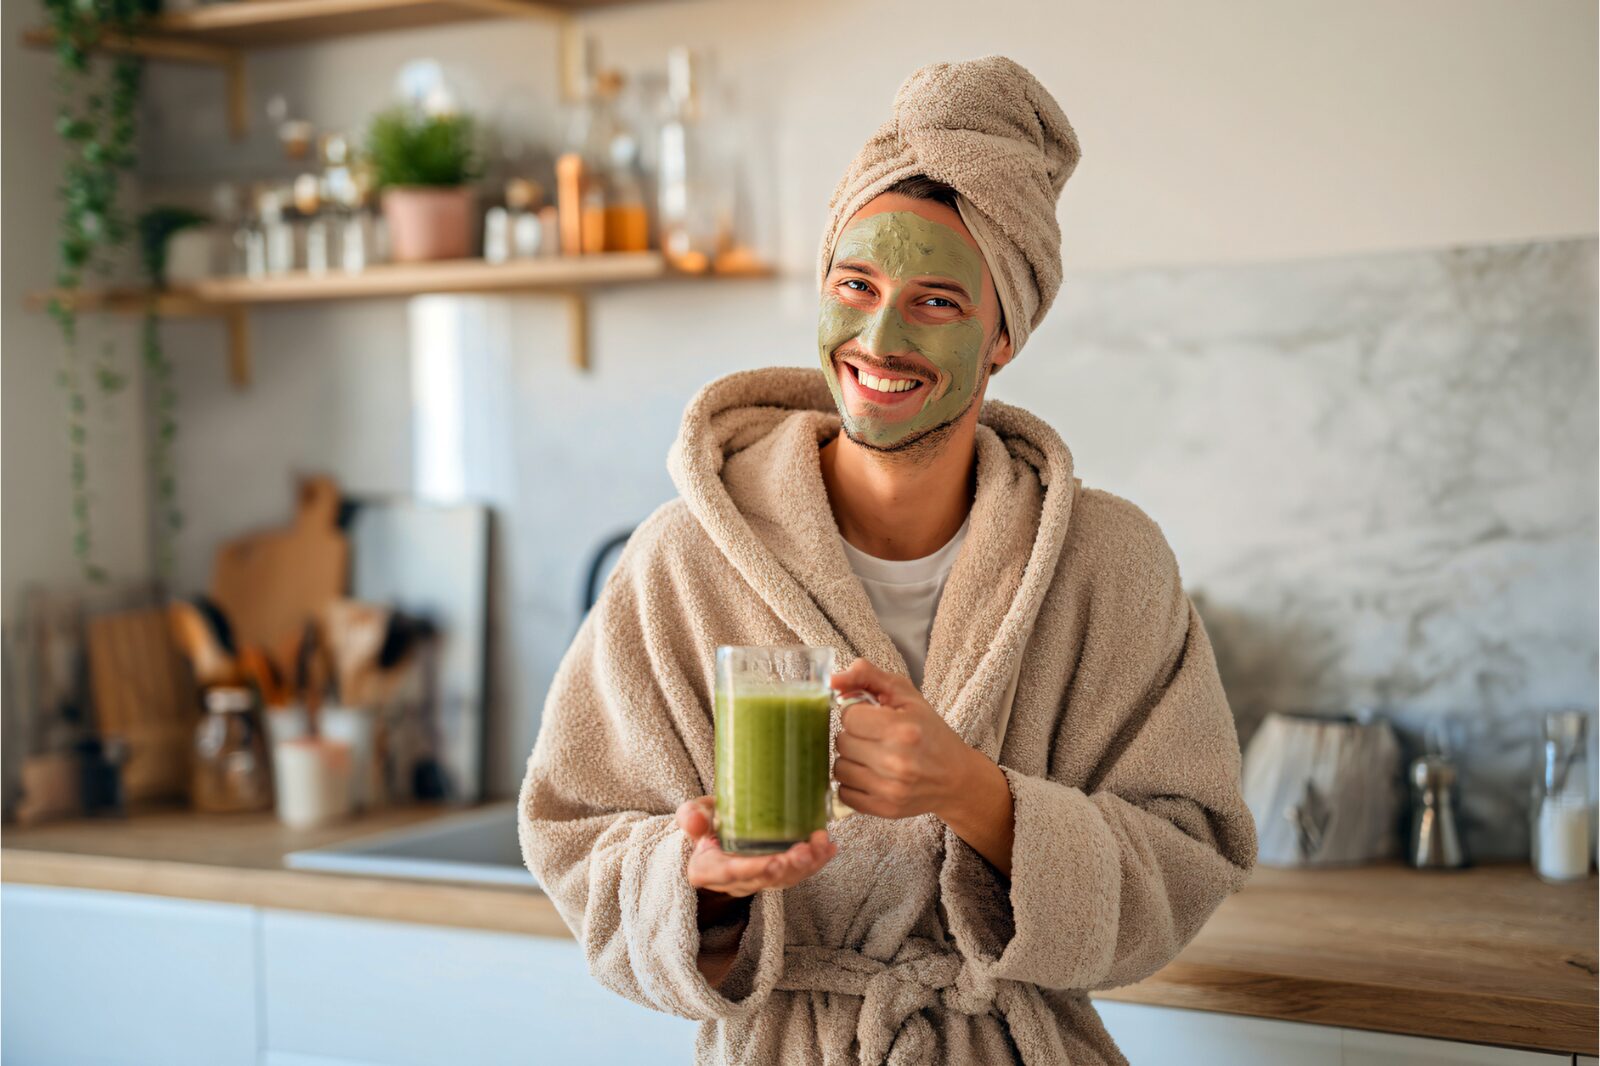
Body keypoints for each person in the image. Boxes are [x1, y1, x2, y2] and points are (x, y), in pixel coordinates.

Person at [519, 55, 1257, 1065]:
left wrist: (977, 795)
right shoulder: (684, 558)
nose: (878, 335)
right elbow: (575, 828)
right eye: (852, 284)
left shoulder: (1106, 560)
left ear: (1004, 335)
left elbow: (1192, 849)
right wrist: (694, 882)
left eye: (936, 303)